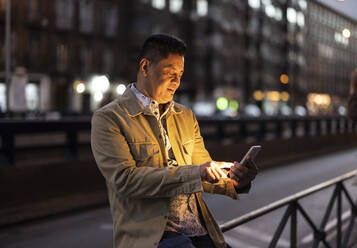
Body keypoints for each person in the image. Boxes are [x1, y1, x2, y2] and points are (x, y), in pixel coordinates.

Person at [91, 34, 258, 248]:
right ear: (145, 67)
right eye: (170, 73)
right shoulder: (110, 118)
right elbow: (125, 181)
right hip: (153, 238)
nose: (177, 81)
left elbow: (205, 170)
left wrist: (236, 181)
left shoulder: (185, 116)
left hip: (200, 230)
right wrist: (196, 172)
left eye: (180, 74)